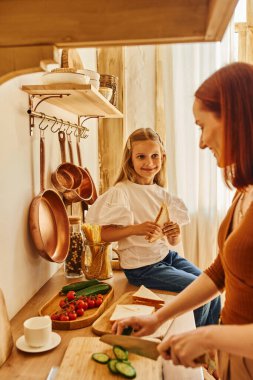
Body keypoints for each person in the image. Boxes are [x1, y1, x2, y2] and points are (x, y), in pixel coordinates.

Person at [112, 62, 253, 380]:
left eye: (203, 126)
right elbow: (220, 271)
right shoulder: (244, 192)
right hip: (235, 355)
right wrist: (159, 318)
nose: (201, 142)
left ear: (233, 119)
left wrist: (205, 337)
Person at [86, 127, 221, 327]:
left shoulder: (162, 194)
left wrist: (174, 234)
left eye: (154, 156)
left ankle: (211, 343)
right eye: (141, 156)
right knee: (197, 290)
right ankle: (197, 345)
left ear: (162, 157)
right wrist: (135, 229)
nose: (149, 163)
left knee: (212, 287)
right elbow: (102, 235)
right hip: (141, 268)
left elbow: (173, 241)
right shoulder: (121, 192)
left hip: (167, 257)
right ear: (130, 159)